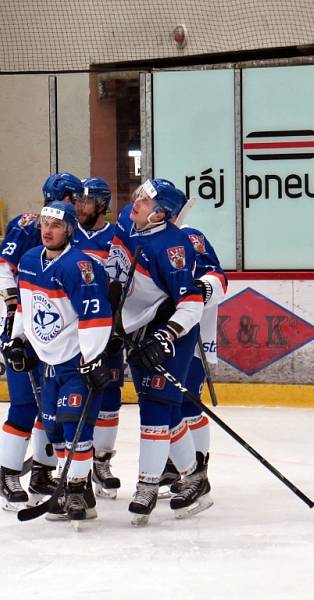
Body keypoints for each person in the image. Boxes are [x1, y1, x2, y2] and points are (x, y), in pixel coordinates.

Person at [105, 178, 209, 526]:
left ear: (161, 214)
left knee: (156, 405)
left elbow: (192, 304)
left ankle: (147, 485)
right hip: (136, 329)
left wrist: (166, 337)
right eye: (137, 196)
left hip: (170, 331)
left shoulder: (173, 247)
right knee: (164, 406)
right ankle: (194, 476)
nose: (135, 203)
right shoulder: (128, 222)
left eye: (145, 202)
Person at [2, 201, 113, 522]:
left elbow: (97, 315)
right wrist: (18, 339)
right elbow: (25, 305)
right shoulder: (28, 261)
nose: (48, 231)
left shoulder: (80, 267)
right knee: (53, 429)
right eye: (45, 225)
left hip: (77, 362)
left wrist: (92, 358)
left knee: (74, 423)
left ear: (69, 230)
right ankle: (74, 489)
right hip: (46, 362)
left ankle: (76, 492)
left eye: (56, 226)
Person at [0, 172, 84, 510]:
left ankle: (43, 471)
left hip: (62, 336)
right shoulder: (28, 224)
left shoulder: (76, 231)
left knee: (53, 407)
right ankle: (9, 474)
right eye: (76, 198)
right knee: (25, 405)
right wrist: (17, 308)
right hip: (26, 328)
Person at [158, 222, 227, 509]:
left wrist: (196, 289)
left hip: (189, 332)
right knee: (163, 404)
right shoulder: (137, 236)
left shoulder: (190, 234)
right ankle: (173, 464)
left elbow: (215, 276)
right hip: (156, 334)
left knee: (187, 404)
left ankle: (198, 467)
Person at [70, 176, 123, 499]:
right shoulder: (68, 234)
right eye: (77, 201)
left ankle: (101, 461)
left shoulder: (118, 237)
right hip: (71, 335)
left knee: (109, 397)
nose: (79, 207)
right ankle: (73, 464)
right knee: (74, 397)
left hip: (109, 331)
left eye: (86, 202)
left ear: (102, 205)